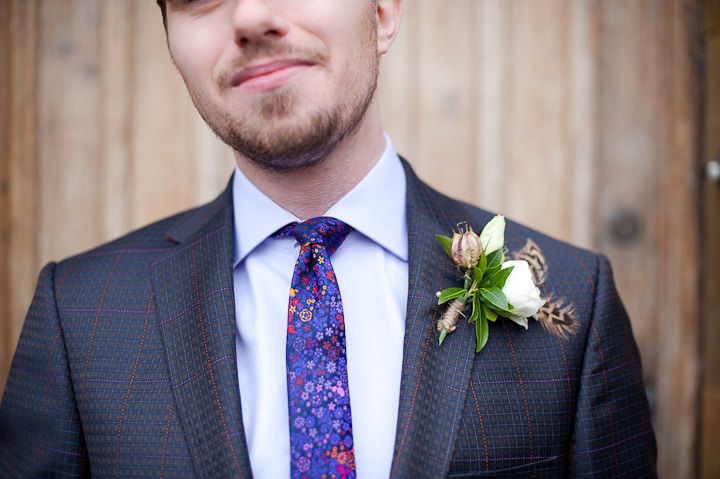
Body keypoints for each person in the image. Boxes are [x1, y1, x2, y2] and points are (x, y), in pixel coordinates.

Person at [0, 0, 657, 477]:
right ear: (172, 47)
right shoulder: (76, 314)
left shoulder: (576, 299)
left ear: (383, 11)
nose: (251, 17)